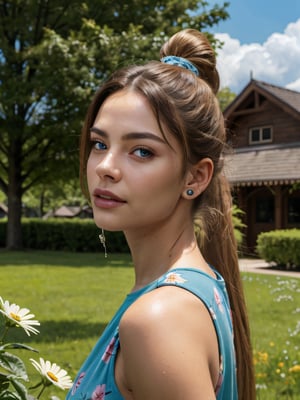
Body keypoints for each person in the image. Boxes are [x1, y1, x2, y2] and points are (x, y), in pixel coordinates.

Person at [67, 29, 255, 400]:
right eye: (100, 143)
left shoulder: (159, 319)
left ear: (195, 177)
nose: (105, 167)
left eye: (142, 152)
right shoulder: (199, 287)